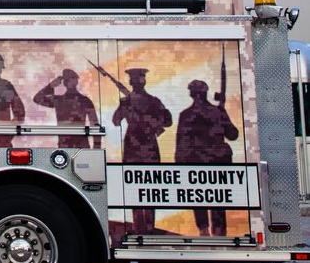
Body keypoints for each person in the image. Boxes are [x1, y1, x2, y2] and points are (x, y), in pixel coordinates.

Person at [111, 67, 172, 234]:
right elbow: (116, 121)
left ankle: (144, 229)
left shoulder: (152, 101)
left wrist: (147, 119)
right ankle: (145, 229)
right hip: (142, 147)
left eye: (135, 78)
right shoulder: (135, 101)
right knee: (142, 190)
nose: (134, 82)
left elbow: (167, 121)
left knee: (143, 190)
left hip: (140, 147)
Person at [176, 80, 238, 236]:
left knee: (198, 198)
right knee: (217, 198)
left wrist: (179, 165)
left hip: (196, 164)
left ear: (191, 94)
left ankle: (203, 229)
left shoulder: (186, 115)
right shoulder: (217, 112)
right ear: (205, 92)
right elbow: (233, 134)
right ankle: (219, 231)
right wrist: (222, 114)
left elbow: (181, 144)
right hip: (218, 164)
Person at [33, 69, 100, 149]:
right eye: (71, 79)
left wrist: (50, 86)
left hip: (71, 146)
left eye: (73, 79)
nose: (73, 81)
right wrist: (96, 148)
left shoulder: (60, 101)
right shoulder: (82, 101)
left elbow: (95, 125)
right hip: (74, 147)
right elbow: (37, 99)